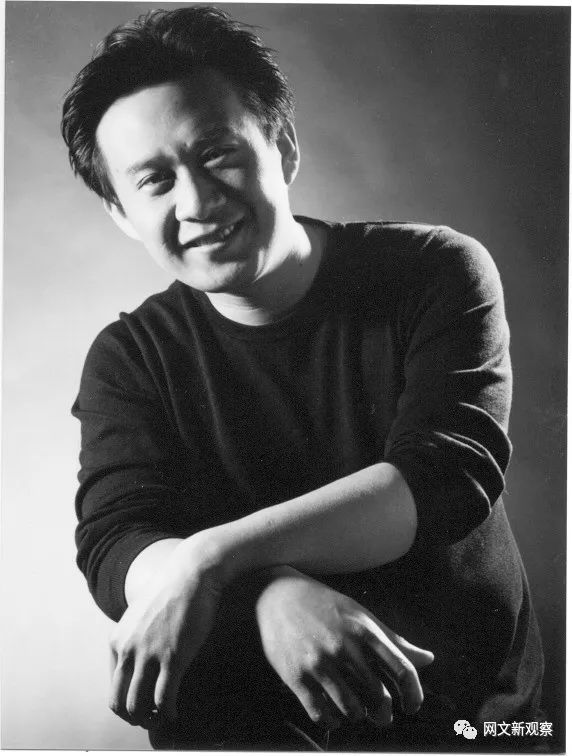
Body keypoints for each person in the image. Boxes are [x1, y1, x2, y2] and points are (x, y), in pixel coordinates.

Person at [62, 6, 544, 751]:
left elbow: (444, 480)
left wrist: (210, 559)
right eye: (155, 180)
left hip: (468, 718)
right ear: (122, 213)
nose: (198, 203)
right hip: (253, 727)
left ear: (283, 147)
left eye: (218, 154)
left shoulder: (435, 270)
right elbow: (116, 541)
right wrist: (269, 592)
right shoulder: (130, 357)